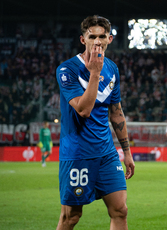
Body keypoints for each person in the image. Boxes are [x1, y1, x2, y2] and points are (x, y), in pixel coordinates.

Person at [56, 15, 135, 230]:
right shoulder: (67, 70)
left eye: (102, 37)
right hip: (78, 153)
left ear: (110, 39)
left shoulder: (112, 69)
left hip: (107, 153)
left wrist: (126, 152)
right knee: (71, 217)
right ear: (83, 39)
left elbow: (116, 113)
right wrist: (94, 73)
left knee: (120, 210)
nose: (97, 42)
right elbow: (83, 110)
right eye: (92, 37)